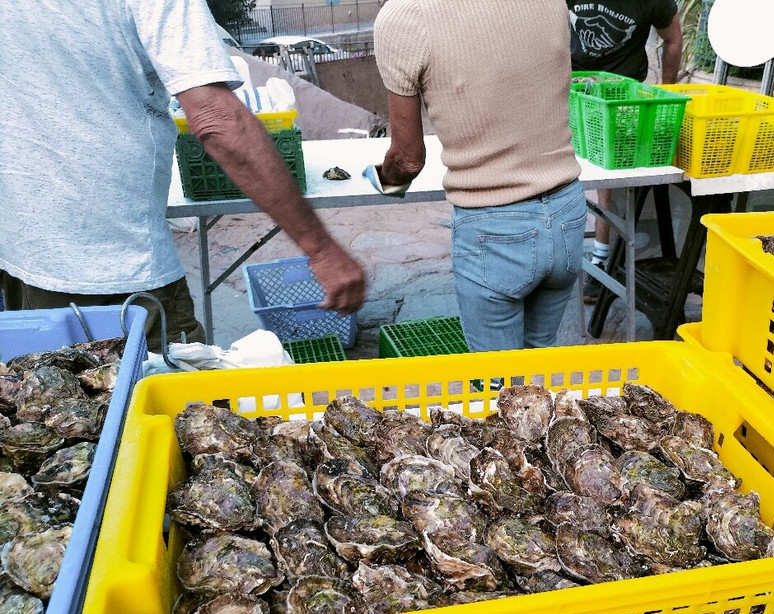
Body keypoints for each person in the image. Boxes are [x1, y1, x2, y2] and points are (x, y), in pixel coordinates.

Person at [0, 0, 366, 351]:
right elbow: (217, 121)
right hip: (120, 270)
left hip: (20, 256)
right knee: (177, 408)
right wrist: (321, 250)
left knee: (57, 402)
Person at [370, 0, 586, 353]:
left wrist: (385, 180)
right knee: (538, 372)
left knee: (499, 389)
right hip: (567, 212)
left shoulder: (406, 16)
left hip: (494, 225)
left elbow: (408, 161)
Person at [566, 0, 683, 281]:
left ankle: (600, 261)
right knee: (555, 173)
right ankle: (548, 260)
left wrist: (664, 96)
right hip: (571, 82)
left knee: (608, 180)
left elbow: (674, 40)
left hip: (621, 92)